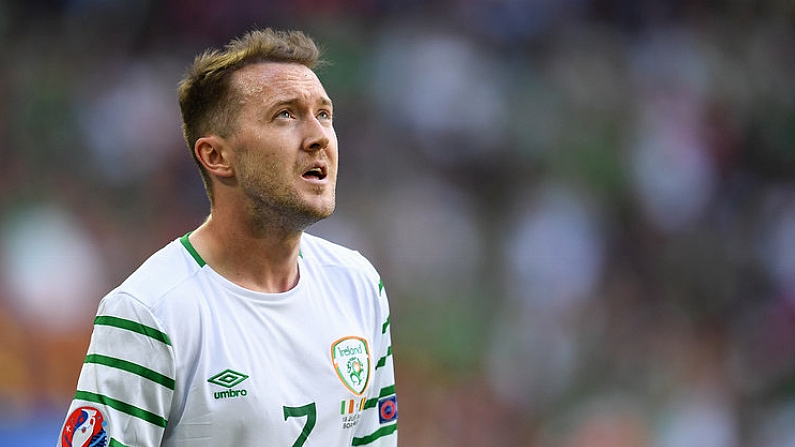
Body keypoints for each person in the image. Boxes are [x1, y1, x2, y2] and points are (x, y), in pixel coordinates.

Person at [57, 28, 397, 447]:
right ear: (216, 157)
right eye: (286, 115)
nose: (319, 137)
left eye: (324, 114)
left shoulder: (359, 286)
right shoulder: (149, 312)